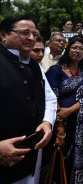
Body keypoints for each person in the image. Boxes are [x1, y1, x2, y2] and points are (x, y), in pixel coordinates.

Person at [0, 15, 56, 184]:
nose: (31, 38)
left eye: (35, 34)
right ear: (3, 34)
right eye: (25, 33)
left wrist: (47, 122)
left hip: (31, 157)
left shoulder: (34, 65)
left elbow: (50, 98)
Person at [44, 36, 83, 183]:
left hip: (81, 126)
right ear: (68, 49)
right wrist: (60, 130)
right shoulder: (55, 70)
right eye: (74, 47)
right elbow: (52, 99)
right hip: (60, 125)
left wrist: (70, 110)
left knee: (76, 163)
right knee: (57, 162)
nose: (77, 51)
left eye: (81, 49)